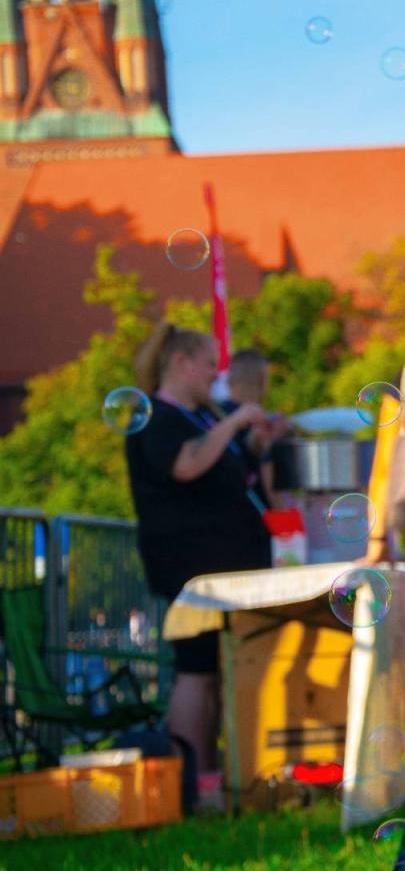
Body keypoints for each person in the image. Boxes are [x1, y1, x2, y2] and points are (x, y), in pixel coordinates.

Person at [125, 324, 273, 805]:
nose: (217, 374)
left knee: (216, 667)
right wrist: (232, 424)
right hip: (190, 567)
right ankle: (198, 783)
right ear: (181, 363)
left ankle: (219, 774)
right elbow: (186, 466)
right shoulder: (157, 418)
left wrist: (252, 442)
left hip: (222, 564)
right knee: (197, 669)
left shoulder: (199, 417)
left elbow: (232, 475)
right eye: (210, 363)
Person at [221, 349, 291, 510]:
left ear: (229, 381)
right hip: (258, 518)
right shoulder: (261, 423)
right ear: (263, 381)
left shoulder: (211, 418)